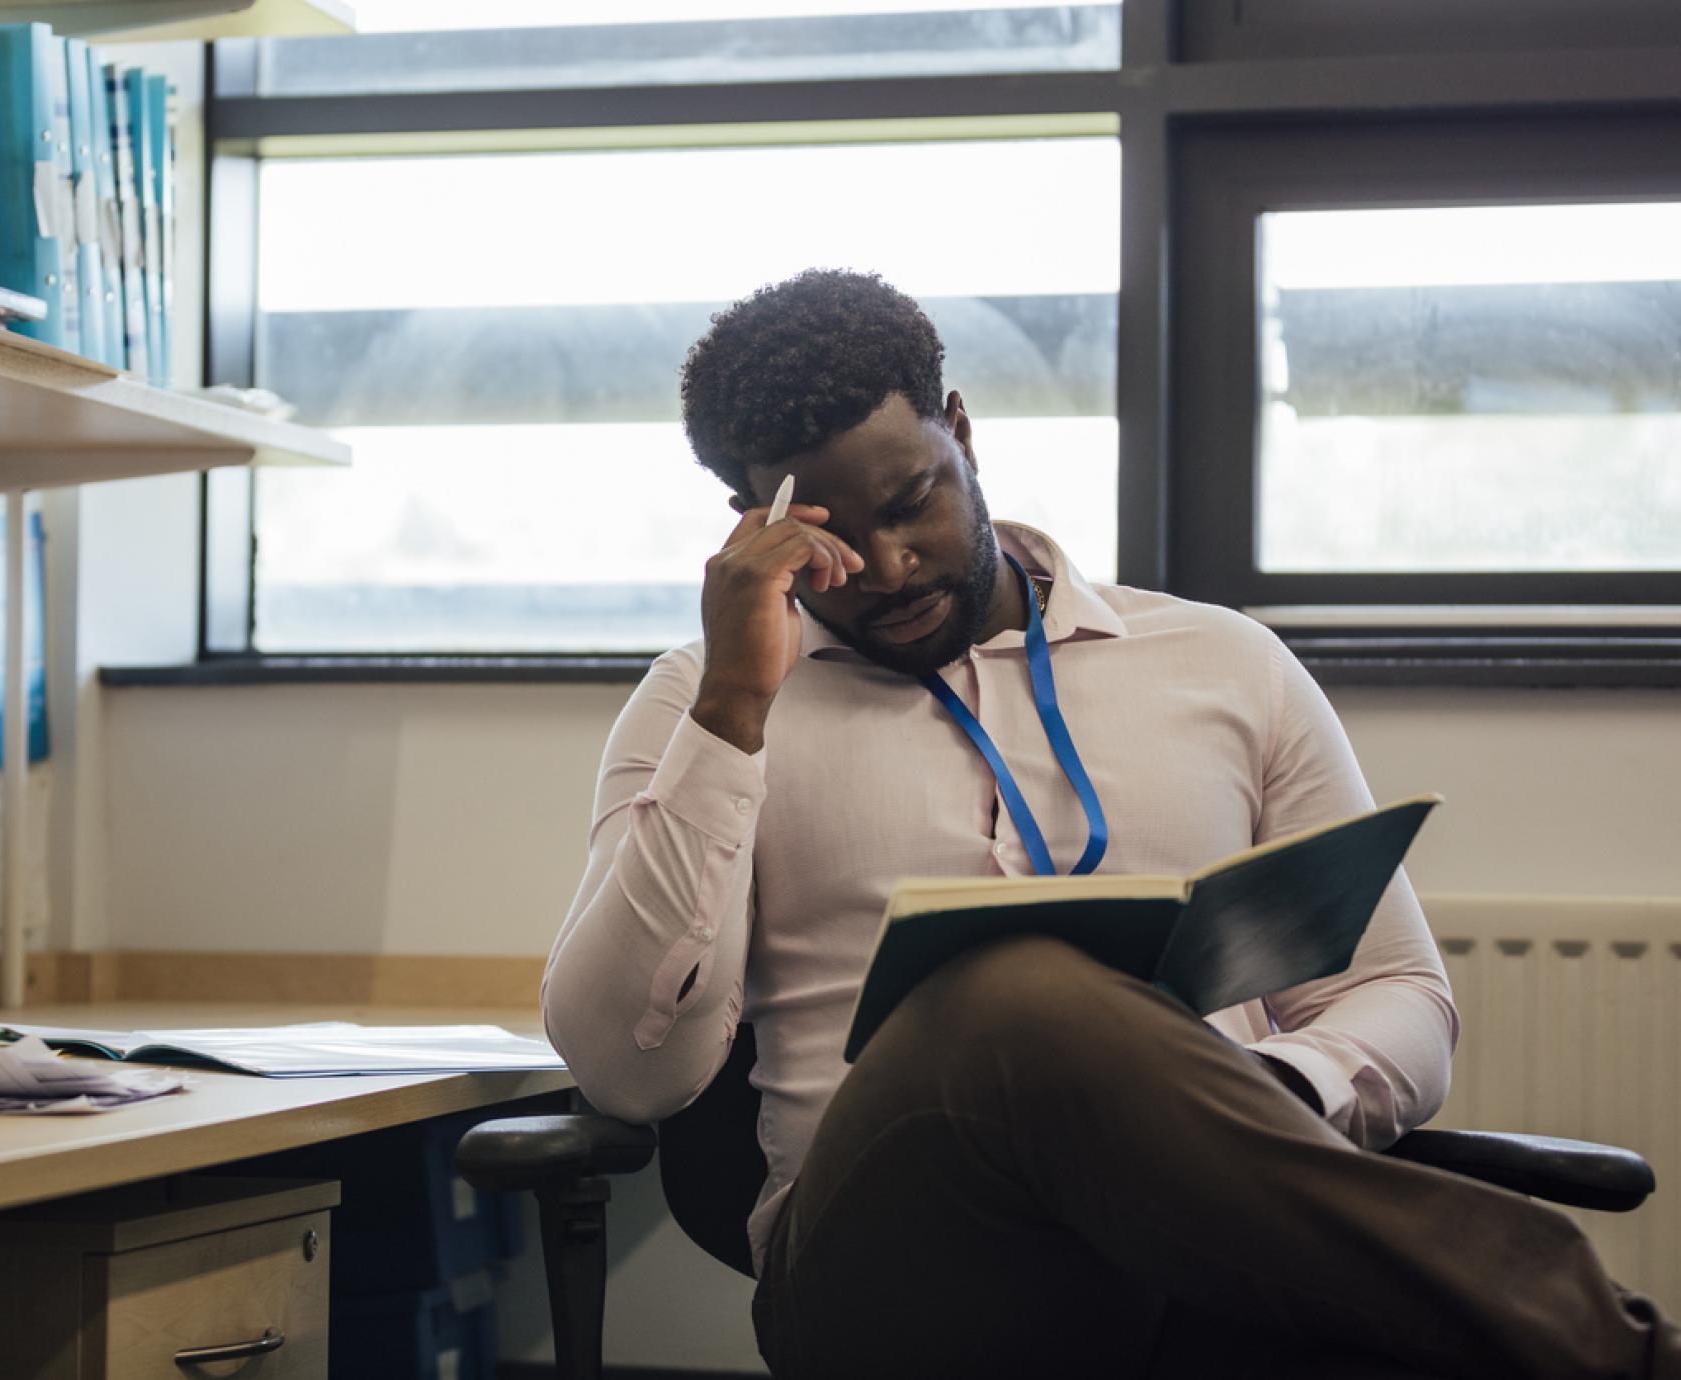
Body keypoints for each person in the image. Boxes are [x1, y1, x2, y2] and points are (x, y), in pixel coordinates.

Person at [540, 269, 1677, 1379]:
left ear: (962, 435)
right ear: (755, 526)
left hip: (1193, 1252)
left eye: (911, 505)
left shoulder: (1223, 665)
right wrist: (734, 705)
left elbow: (1397, 995)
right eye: (836, 544)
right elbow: (624, 1074)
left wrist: (1263, 1097)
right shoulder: (709, 702)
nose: (887, 568)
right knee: (1009, 995)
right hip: (887, 1277)